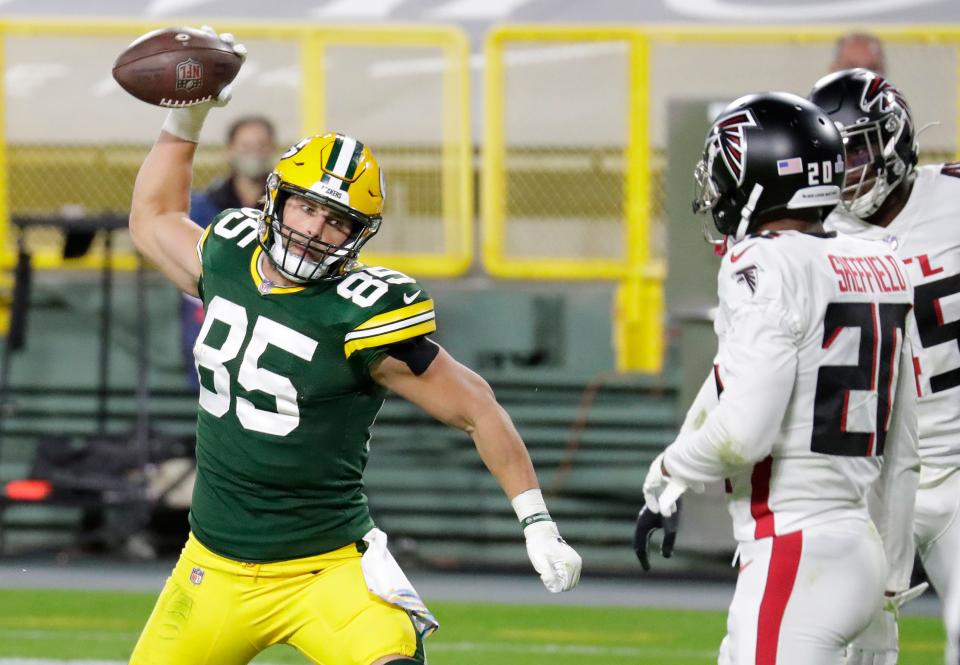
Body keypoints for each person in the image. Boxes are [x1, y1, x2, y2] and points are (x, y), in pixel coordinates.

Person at [126, 28, 581, 665]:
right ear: (276, 198)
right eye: (308, 209)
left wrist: (536, 521)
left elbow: (475, 404)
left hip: (327, 570)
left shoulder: (363, 312)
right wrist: (186, 119)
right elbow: (151, 218)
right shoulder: (228, 255)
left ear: (358, 236)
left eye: (338, 221)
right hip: (214, 566)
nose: (316, 231)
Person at [638, 92, 919, 665]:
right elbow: (903, 452)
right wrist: (888, 584)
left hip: (795, 550)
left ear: (759, 177)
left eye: (725, 169)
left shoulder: (763, 264)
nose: (717, 186)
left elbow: (743, 433)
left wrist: (671, 468)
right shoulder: (881, 259)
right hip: (859, 548)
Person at [811, 67, 960, 664]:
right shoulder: (814, 233)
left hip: (958, 465)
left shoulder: (951, 196)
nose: (849, 169)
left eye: (859, 148)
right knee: (851, 646)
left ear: (894, 138)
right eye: (836, 155)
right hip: (867, 478)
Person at [180, 115, 278, 389]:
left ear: (272, 149)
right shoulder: (204, 206)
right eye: (245, 146)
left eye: (261, 146)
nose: (253, 154)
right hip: (214, 331)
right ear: (230, 150)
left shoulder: (286, 210)